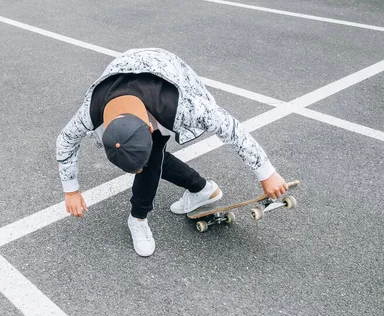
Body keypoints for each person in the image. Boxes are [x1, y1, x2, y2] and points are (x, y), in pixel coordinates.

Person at [56, 48, 288, 257]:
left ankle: (138, 217)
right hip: (123, 78)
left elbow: (231, 128)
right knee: (152, 157)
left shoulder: (183, 107)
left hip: (165, 70)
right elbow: (65, 141)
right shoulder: (89, 114)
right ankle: (202, 189)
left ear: (149, 127)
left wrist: (266, 173)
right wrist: (71, 191)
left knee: (152, 159)